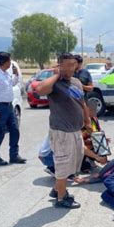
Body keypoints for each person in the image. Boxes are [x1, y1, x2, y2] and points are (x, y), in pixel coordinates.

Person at [36, 52, 91, 209]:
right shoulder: (55, 84)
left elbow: (82, 103)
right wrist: (56, 76)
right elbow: (39, 89)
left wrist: (87, 122)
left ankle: (56, 189)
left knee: (74, 163)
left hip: (76, 130)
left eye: (73, 65)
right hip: (61, 132)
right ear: (59, 65)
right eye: (66, 65)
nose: (71, 68)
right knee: (62, 165)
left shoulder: (76, 82)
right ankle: (61, 198)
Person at [0, 51, 26, 165]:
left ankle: (14, 155)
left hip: (9, 106)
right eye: (9, 60)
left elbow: (12, 83)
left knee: (14, 130)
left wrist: (16, 74)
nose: (11, 63)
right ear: (4, 62)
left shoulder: (5, 74)